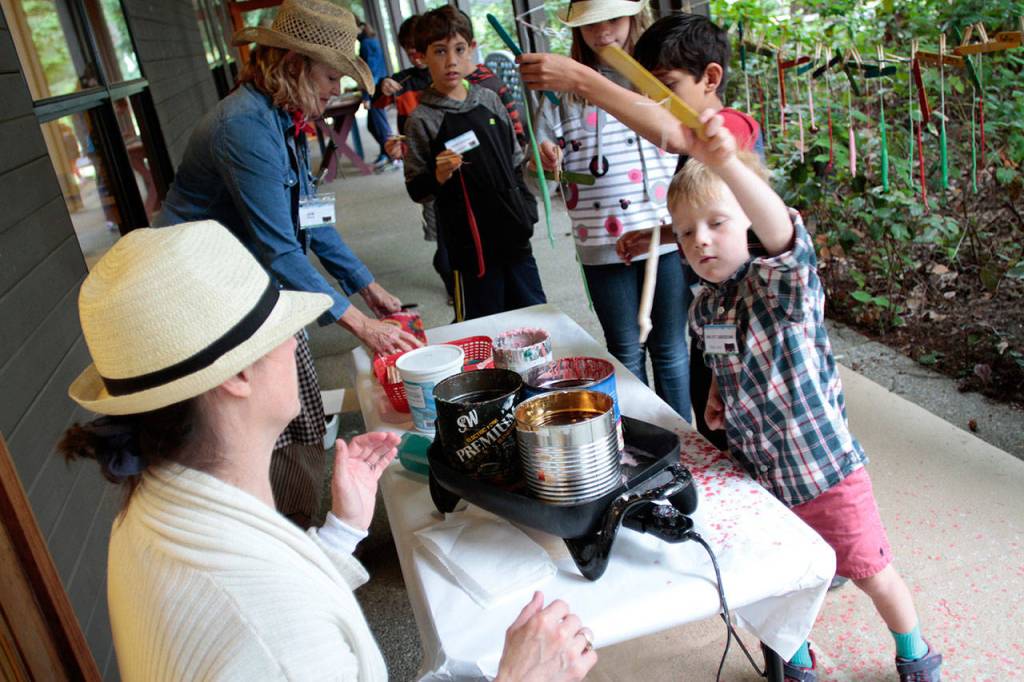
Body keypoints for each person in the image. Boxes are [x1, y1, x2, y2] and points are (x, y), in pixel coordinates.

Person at [59, 220, 598, 681]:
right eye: (281, 329)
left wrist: (339, 536)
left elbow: (273, 607)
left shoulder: (154, 505)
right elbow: (273, 631)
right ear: (239, 375)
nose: (298, 343)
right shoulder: (269, 632)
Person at [666, 111, 942, 682]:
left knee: (870, 570)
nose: (701, 240)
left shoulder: (784, 286)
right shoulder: (706, 304)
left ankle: (914, 652)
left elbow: (784, 238)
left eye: (717, 222)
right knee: (779, 583)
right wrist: (719, 389)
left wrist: (729, 166)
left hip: (824, 473)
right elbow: (723, 353)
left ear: (748, 220)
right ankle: (795, 662)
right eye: (687, 231)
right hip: (760, 478)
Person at [154, 0, 421, 527]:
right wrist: (359, 324)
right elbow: (281, 248)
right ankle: (283, 526)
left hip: (253, 277)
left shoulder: (281, 117)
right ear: (293, 65)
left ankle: (293, 516)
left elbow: (311, 221)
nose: (334, 90)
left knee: (295, 409)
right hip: (207, 294)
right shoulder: (245, 128)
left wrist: (367, 287)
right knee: (255, 422)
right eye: (329, 76)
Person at [527, 0, 692, 421]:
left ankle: (686, 445)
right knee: (623, 350)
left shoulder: (661, 83)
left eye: (613, 19)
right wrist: (541, 160)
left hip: (666, 238)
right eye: (590, 25)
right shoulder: (560, 96)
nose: (603, 34)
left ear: (636, 17)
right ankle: (639, 438)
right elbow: (536, 173)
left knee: (672, 349)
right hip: (599, 244)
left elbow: (688, 143)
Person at [403, 6, 546, 321]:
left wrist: (527, 210)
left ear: (472, 48)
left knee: (535, 316)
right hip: (470, 248)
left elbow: (514, 160)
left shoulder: (489, 99)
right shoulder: (421, 119)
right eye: (439, 52)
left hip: (513, 233)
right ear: (421, 57)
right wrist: (437, 176)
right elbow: (417, 188)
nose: (451, 61)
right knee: (484, 326)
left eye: (459, 49)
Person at [357, 21, 394, 167]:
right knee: (374, 125)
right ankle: (386, 153)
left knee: (379, 125)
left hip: (375, 89)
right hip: (378, 85)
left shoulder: (366, 44)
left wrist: (366, 96)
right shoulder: (372, 41)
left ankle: (393, 155)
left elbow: (369, 72)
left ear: (360, 27)